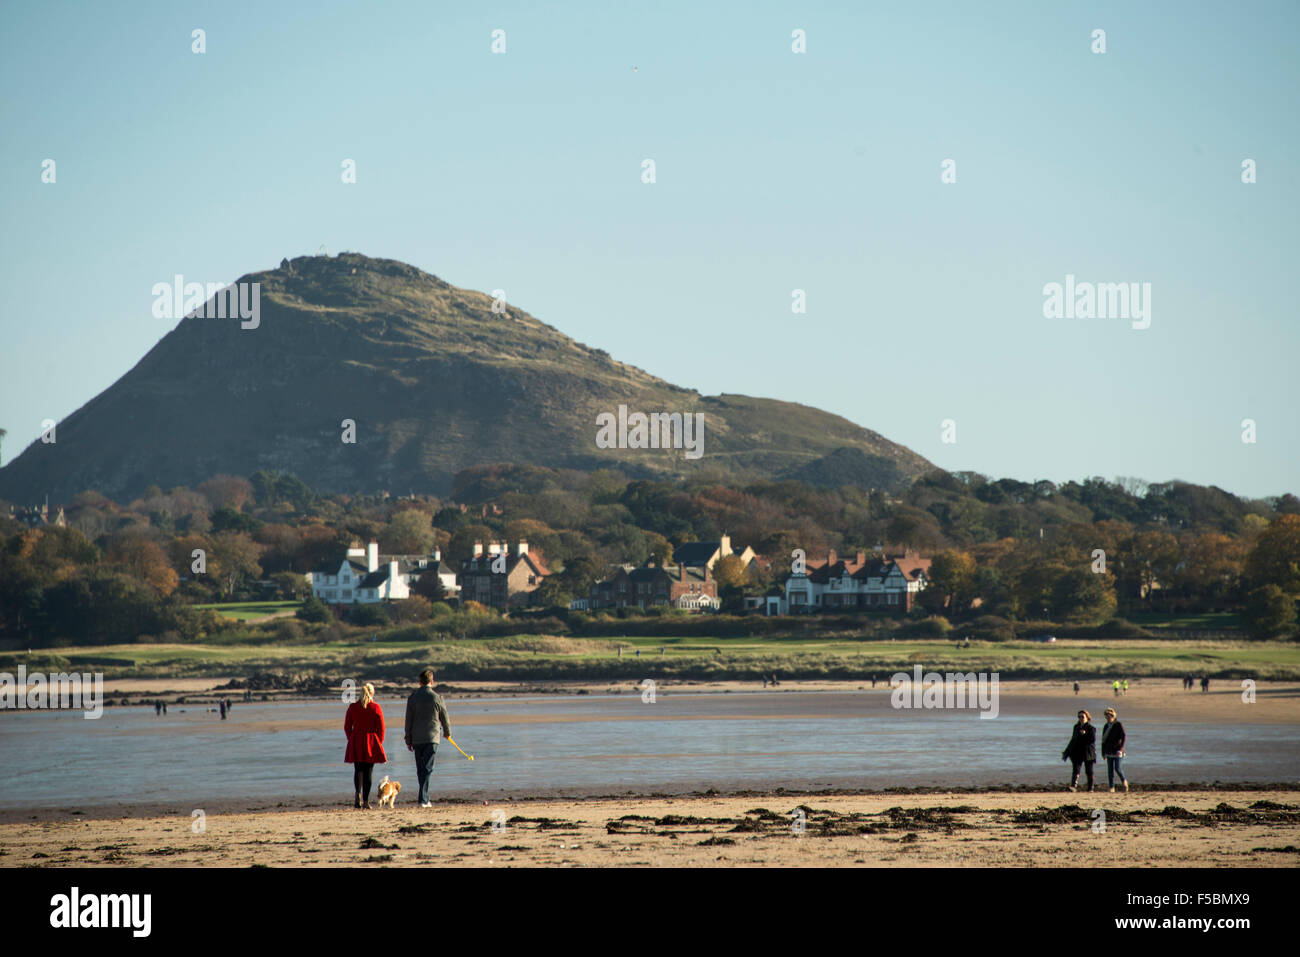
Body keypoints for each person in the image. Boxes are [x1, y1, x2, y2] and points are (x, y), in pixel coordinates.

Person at [404, 669, 452, 808]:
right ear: (432, 681)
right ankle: (423, 800)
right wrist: (447, 732)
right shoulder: (437, 697)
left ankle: (424, 798)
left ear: (420, 682)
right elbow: (445, 718)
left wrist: (408, 739)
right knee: (426, 769)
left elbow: (408, 721)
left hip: (417, 738)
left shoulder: (412, 698)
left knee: (421, 769)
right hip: (432, 738)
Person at [344, 682, 387, 809]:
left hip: (356, 739)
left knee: (358, 770)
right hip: (371, 740)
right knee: (368, 772)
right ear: (372, 693)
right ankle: (366, 800)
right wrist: (378, 742)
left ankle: (358, 796)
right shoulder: (375, 707)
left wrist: (351, 739)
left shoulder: (352, 707)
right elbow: (382, 728)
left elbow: (347, 727)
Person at [1061, 709, 1097, 792]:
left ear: (1087, 717)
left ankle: (1090, 787)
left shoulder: (1091, 728)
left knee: (1089, 771)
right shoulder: (1076, 727)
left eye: (1082, 716)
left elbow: (1092, 740)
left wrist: (1085, 734)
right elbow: (1073, 739)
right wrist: (1066, 752)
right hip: (1077, 752)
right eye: (1079, 717)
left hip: (1088, 753)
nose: (1081, 718)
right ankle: (1073, 786)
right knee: (1076, 770)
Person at [1101, 707, 1128, 793]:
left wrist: (1121, 749)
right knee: (1110, 770)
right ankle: (1111, 787)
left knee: (1118, 768)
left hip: (1118, 751)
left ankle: (1124, 781)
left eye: (1110, 716)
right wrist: (1103, 752)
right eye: (1107, 716)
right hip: (1109, 751)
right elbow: (1103, 740)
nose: (1108, 718)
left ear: (1113, 716)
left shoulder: (1118, 724)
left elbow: (1123, 737)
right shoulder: (1105, 726)